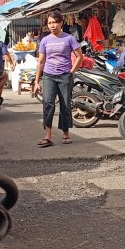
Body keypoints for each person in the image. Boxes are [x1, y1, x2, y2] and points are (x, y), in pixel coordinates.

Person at [31, 10, 82, 147]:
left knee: (65, 105)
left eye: (54, 22)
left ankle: (66, 134)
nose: (52, 25)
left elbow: (79, 57)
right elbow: (41, 62)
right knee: (48, 104)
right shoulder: (45, 40)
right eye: (49, 23)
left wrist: (71, 72)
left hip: (65, 76)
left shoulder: (69, 38)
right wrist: (36, 82)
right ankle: (48, 135)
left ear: (61, 22)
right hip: (48, 76)